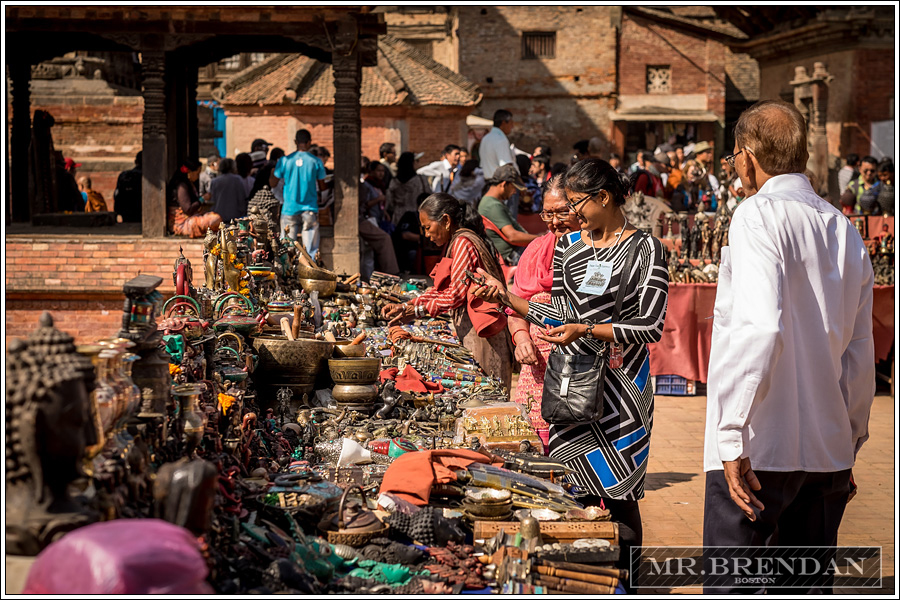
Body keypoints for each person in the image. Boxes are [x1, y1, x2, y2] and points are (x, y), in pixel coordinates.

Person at [703, 99, 875, 594]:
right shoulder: (841, 227)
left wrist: (731, 433)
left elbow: (760, 327)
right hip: (825, 448)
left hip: (759, 448)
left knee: (732, 585)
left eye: (734, 156)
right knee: (802, 586)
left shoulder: (756, 214)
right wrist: (850, 439)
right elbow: (859, 352)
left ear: (747, 156)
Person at [472, 158, 669, 577]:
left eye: (578, 203)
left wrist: (588, 328)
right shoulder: (570, 247)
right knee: (574, 496)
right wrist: (507, 297)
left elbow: (650, 326)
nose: (572, 214)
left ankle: (627, 582)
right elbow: (558, 312)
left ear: (604, 197)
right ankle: (586, 578)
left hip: (621, 394)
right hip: (570, 385)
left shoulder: (646, 248)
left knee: (619, 496)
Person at [381, 193, 513, 389]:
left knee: (487, 396)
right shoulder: (459, 242)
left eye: (428, 228)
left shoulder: (462, 243)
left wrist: (416, 311)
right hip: (478, 334)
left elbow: (455, 295)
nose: (426, 235)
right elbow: (442, 290)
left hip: (484, 337)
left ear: (446, 221)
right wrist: (407, 306)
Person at [505, 175, 581, 449]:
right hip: (537, 365)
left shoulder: (593, 251)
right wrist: (522, 339)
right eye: (548, 213)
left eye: (562, 212)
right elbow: (516, 306)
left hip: (579, 366)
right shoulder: (536, 250)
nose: (554, 221)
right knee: (535, 442)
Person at [271, 129, 327, 257]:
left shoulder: (285, 161)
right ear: (309, 143)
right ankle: (309, 268)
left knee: (286, 246)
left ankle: (288, 271)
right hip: (309, 207)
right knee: (310, 249)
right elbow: (323, 186)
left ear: (295, 142)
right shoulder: (316, 161)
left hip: (289, 208)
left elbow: (274, 182)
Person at [478, 163, 539, 265]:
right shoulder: (493, 205)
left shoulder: (491, 202)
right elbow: (512, 236)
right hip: (512, 256)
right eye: (513, 187)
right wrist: (540, 239)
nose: (515, 192)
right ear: (504, 184)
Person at [167, 157, 221, 238]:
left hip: (190, 218)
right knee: (215, 219)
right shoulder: (182, 186)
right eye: (197, 173)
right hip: (182, 224)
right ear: (189, 172)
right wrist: (202, 199)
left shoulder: (189, 184)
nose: (198, 176)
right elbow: (188, 209)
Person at [385, 151, 431, 226]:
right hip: (416, 217)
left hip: (398, 217)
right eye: (416, 161)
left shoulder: (393, 181)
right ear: (411, 163)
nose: (418, 163)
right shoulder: (421, 180)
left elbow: (390, 203)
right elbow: (429, 197)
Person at [207, 157, 249, 225]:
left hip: (218, 218)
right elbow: (242, 199)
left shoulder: (215, 181)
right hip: (234, 218)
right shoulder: (237, 180)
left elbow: (212, 200)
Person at [479, 109, 516, 179]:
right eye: (511, 123)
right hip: (499, 184)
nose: (512, 127)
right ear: (504, 123)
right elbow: (507, 167)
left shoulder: (485, 138)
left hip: (488, 182)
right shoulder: (500, 139)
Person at [114, 151, 143, 223]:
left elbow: (116, 194)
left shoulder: (124, 175)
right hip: (141, 209)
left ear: (136, 161)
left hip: (126, 210)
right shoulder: (150, 177)